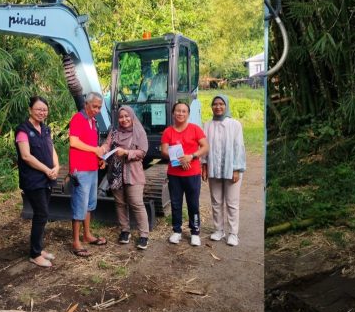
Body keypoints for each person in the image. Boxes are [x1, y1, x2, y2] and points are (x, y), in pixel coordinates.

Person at [15, 96, 59, 268]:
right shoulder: (23, 130)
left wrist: (56, 166)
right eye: (39, 109)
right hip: (33, 180)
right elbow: (26, 156)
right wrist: (46, 170)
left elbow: (52, 149)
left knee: (43, 214)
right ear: (30, 110)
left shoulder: (46, 129)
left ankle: (39, 249)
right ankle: (35, 254)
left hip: (47, 177)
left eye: (45, 110)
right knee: (41, 214)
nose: (42, 112)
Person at [101, 106, 150, 250]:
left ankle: (144, 235)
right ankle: (125, 231)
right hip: (115, 173)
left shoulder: (139, 131)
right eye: (121, 117)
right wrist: (102, 151)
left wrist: (127, 152)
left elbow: (142, 152)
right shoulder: (114, 132)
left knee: (136, 203)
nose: (124, 119)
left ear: (132, 116)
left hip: (133, 173)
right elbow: (106, 144)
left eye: (127, 116)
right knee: (120, 203)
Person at [161, 101, 209, 246]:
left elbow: (205, 146)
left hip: (192, 173)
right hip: (174, 174)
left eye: (183, 111)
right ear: (173, 113)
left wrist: (191, 156)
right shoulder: (168, 131)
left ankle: (195, 232)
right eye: (178, 111)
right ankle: (176, 231)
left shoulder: (195, 129)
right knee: (176, 203)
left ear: (188, 114)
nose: (180, 113)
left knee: (193, 203)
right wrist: (179, 159)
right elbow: (164, 151)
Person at [201, 95, 246, 247]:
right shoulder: (206, 125)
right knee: (216, 201)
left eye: (221, 104)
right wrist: (204, 166)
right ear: (211, 106)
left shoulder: (234, 124)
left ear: (226, 106)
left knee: (232, 202)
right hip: (213, 168)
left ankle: (233, 233)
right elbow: (204, 148)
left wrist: (236, 169)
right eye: (215, 104)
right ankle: (219, 230)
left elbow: (239, 147)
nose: (218, 107)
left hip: (231, 169)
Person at [68, 92, 108, 257]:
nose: (97, 110)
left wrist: (99, 158)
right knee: (80, 204)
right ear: (86, 104)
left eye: (99, 107)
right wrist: (95, 150)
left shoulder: (93, 121)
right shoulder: (78, 118)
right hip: (81, 169)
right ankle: (76, 241)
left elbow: (91, 144)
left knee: (90, 204)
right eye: (95, 106)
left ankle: (87, 234)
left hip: (91, 167)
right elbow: (74, 142)